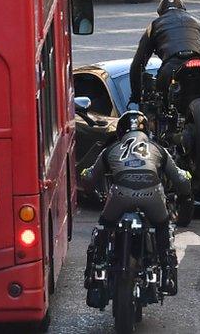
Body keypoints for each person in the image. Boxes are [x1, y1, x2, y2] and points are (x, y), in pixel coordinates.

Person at [80, 111, 192, 303]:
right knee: (162, 225)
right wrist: (186, 183)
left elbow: (89, 178)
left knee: (104, 226)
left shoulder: (111, 149)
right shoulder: (158, 148)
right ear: (147, 130)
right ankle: (166, 270)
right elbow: (181, 180)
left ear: (120, 131)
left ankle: (96, 268)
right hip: (152, 195)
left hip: (120, 195)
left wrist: (85, 178)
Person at [128, 0, 200, 106]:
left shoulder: (154, 25)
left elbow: (137, 65)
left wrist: (136, 96)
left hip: (172, 65)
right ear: (184, 9)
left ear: (160, 13)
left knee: (159, 103)